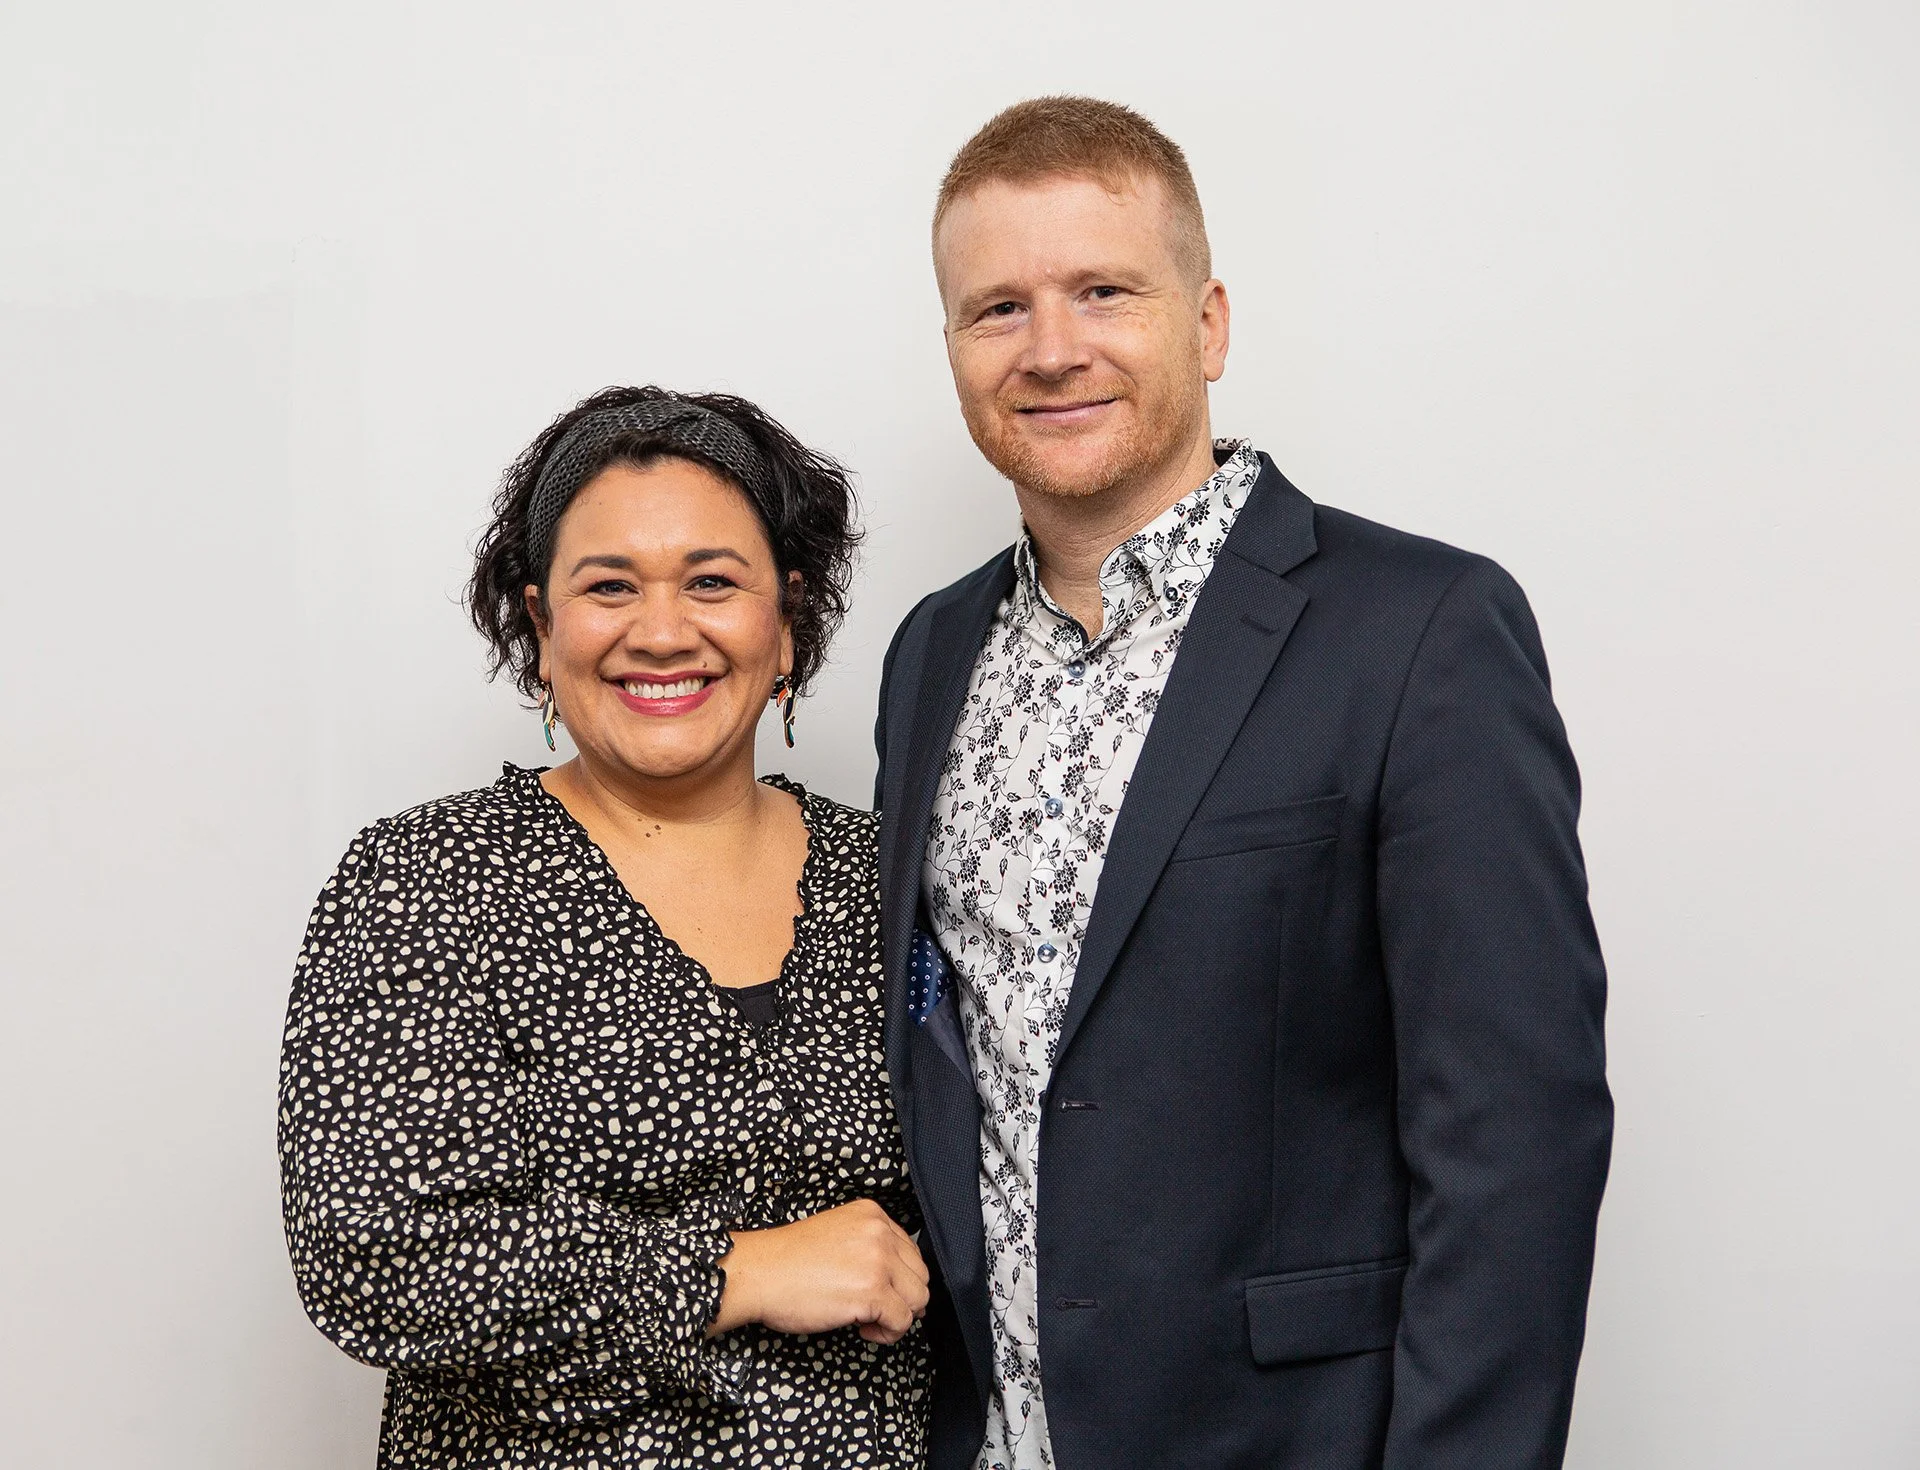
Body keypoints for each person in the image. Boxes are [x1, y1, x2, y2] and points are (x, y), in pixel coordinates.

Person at [874, 97, 1613, 1470]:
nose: (1051, 348)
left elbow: (1517, 1144)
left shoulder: (1422, 630)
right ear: (955, 348)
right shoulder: (929, 652)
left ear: (1206, 323)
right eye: (997, 309)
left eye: (1104, 290)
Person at [280, 387, 932, 1467]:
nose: (663, 631)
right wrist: (739, 1272)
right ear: (541, 626)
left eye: (714, 583)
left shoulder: (891, 877)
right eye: (609, 588)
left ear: (786, 620)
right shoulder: (432, 881)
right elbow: (374, 1253)